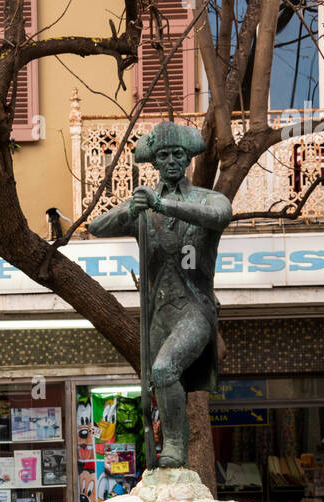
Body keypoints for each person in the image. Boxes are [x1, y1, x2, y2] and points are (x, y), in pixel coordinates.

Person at [88, 121, 232, 470]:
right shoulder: (145, 202)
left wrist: (162, 205)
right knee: (159, 376)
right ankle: (167, 447)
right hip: (158, 312)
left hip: (194, 309)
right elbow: (96, 227)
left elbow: (221, 214)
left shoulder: (206, 199)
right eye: (164, 155)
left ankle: (176, 447)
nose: (171, 161)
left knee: (165, 368)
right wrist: (131, 209)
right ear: (154, 161)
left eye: (178, 154)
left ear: (188, 159)